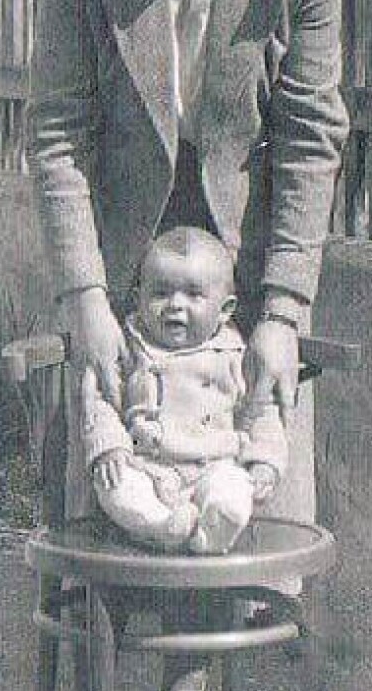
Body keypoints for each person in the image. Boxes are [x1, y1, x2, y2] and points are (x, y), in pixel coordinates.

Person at [25, 0, 349, 691]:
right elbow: (60, 132)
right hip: (119, 274)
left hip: (241, 283)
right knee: (104, 477)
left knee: (218, 493)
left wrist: (281, 313)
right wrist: (84, 303)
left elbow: (307, 142)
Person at [81, 226, 287, 554]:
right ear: (138, 298)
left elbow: (261, 408)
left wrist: (265, 460)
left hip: (215, 463)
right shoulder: (129, 346)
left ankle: (212, 533)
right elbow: (101, 400)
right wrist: (109, 447)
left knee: (233, 492)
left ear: (225, 310)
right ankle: (162, 526)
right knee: (117, 489)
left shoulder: (235, 354)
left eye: (193, 294)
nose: (175, 305)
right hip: (145, 464)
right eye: (161, 292)